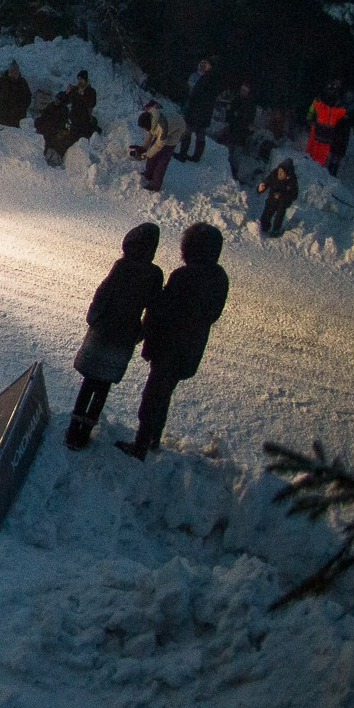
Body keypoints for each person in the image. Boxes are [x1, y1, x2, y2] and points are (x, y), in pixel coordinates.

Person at [119, 223, 229, 459]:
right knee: (164, 393)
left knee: (152, 396)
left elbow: (161, 312)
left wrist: (147, 336)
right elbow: (212, 314)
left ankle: (141, 444)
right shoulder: (220, 278)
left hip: (168, 348)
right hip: (191, 350)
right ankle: (153, 438)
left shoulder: (183, 276)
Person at [65, 223, 163, 450]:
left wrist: (94, 318)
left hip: (103, 332)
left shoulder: (122, 266)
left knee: (89, 381)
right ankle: (86, 431)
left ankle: (73, 431)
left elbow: (103, 294)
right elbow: (153, 309)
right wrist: (140, 332)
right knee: (103, 386)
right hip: (124, 337)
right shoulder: (154, 275)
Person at [177, 58, 224, 162]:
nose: (204, 65)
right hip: (205, 111)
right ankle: (196, 157)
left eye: (206, 64)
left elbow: (196, 94)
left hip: (197, 110)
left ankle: (182, 154)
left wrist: (192, 105)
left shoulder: (206, 78)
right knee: (200, 133)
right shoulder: (215, 79)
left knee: (188, 130)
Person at [133, 100, 184, 192]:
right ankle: (148, 174)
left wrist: (145, 155)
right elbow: (150, 134)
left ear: (148, 124)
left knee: (161, 161)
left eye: (143, 127)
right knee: (152, 155)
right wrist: (144, 148)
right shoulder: (150, 118)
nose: (143, 129)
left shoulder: (161, 127)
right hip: (168, 126)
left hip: (176, 130)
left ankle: (155, 184)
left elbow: (158, 146)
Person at [306, 82, 349, 175]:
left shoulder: (323, 106)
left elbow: (315, 103)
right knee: (318, 155)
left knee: (317, 155)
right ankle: (315, 169)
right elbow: (344, 112)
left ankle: (314, 169)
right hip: (324, 137)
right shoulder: (334, 110)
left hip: (322, 136)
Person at [222, 81, 258, 180]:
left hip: (241, 134)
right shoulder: (236, 99)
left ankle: (234, 174)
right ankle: (227, 172)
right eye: (242, 90)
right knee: (229, 153)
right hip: (232, 131)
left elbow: (248, 119)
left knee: (236, 155)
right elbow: (230, 113)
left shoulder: (250, 104)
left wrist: (238, 116)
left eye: (245, 91)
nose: (243, 92)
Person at [257, 157, 299, 237]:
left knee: (280, 210)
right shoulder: (274, 173)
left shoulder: (292, 180)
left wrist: (282, 196)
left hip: (284, 200)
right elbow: (266, 182)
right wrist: (261, 188)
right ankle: (264, 226)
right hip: (273, 196)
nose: (279, 173)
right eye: (279, 170)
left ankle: (275, 230)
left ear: (287, 175)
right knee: (269, 207)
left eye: (282, 172)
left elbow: (294, 195)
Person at [34, 93, 75, 167]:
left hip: (54, 130)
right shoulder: (51, 105)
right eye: (56, 99)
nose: (56, 101)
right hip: (46, 128)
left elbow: (62, 123)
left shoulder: (64, 109)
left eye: (58, 100)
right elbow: (44, 115)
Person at [0, 60, 32, 128]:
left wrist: (22, 108)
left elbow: (28, 97)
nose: (13, 73)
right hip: (0, 116)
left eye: (15, 71)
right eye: (12, 71)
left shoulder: (23, 83)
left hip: (17, 117)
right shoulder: (0, 81)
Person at [65, 71, 100, 142]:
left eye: (81, 79)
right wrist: (67, 93)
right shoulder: (74, 89)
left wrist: (82, 95)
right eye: (78, 79)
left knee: (82, 141)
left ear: (85, 80)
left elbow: (92, 104)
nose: (79, 81)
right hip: (74, 120)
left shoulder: (91, 91)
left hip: (84, 121)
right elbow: (66, 101)